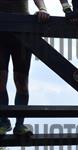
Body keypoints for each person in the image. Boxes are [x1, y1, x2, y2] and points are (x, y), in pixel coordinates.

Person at [0, 0, 49, 136]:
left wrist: (43, 9)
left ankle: (20, 125)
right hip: (1, 29)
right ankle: (3, 122)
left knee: (21, 82)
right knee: (1, 79)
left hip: (23, 28)